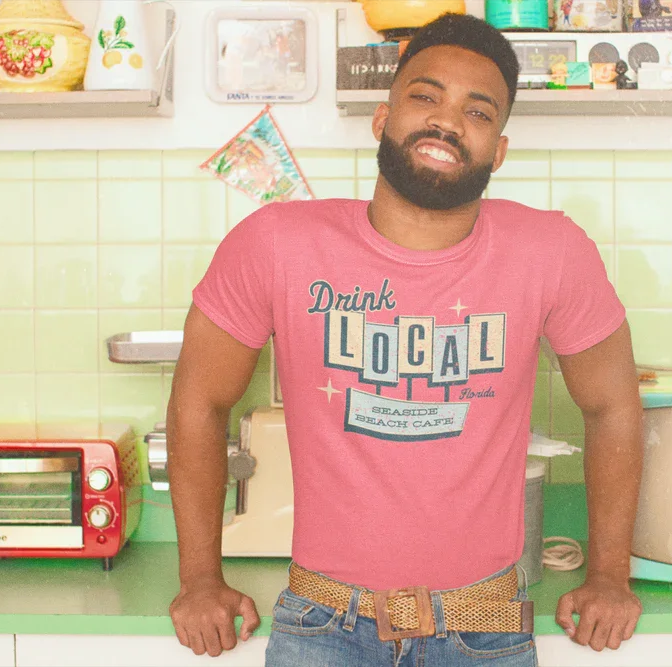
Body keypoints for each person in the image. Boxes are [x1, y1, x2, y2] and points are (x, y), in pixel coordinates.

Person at [166, 12, 644, 666]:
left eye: (478, 112)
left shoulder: (552, 251)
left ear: (498, 152)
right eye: (425, 96)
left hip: (485, 626)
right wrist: (199, 579)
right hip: (322, 622)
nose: (447, 121)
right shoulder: (275, 244)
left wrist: (610, 575)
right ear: (382, 118)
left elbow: (614, 404)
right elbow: (198, 400)